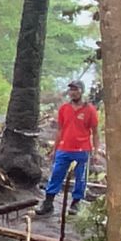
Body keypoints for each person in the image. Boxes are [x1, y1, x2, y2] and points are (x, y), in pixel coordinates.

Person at [35, 80, 99, 215]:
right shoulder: (64, 108)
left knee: (81, 178)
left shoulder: (90, 110)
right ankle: (48, 203)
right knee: (56, 175)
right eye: (71, 90)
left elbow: (95, 132)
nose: (73, 92)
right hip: (64, 149)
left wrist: (95, 151)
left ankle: (75, 203)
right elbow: (60, 130)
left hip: (82, 150)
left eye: (76, 89)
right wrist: (54, 149)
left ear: (81, 91)